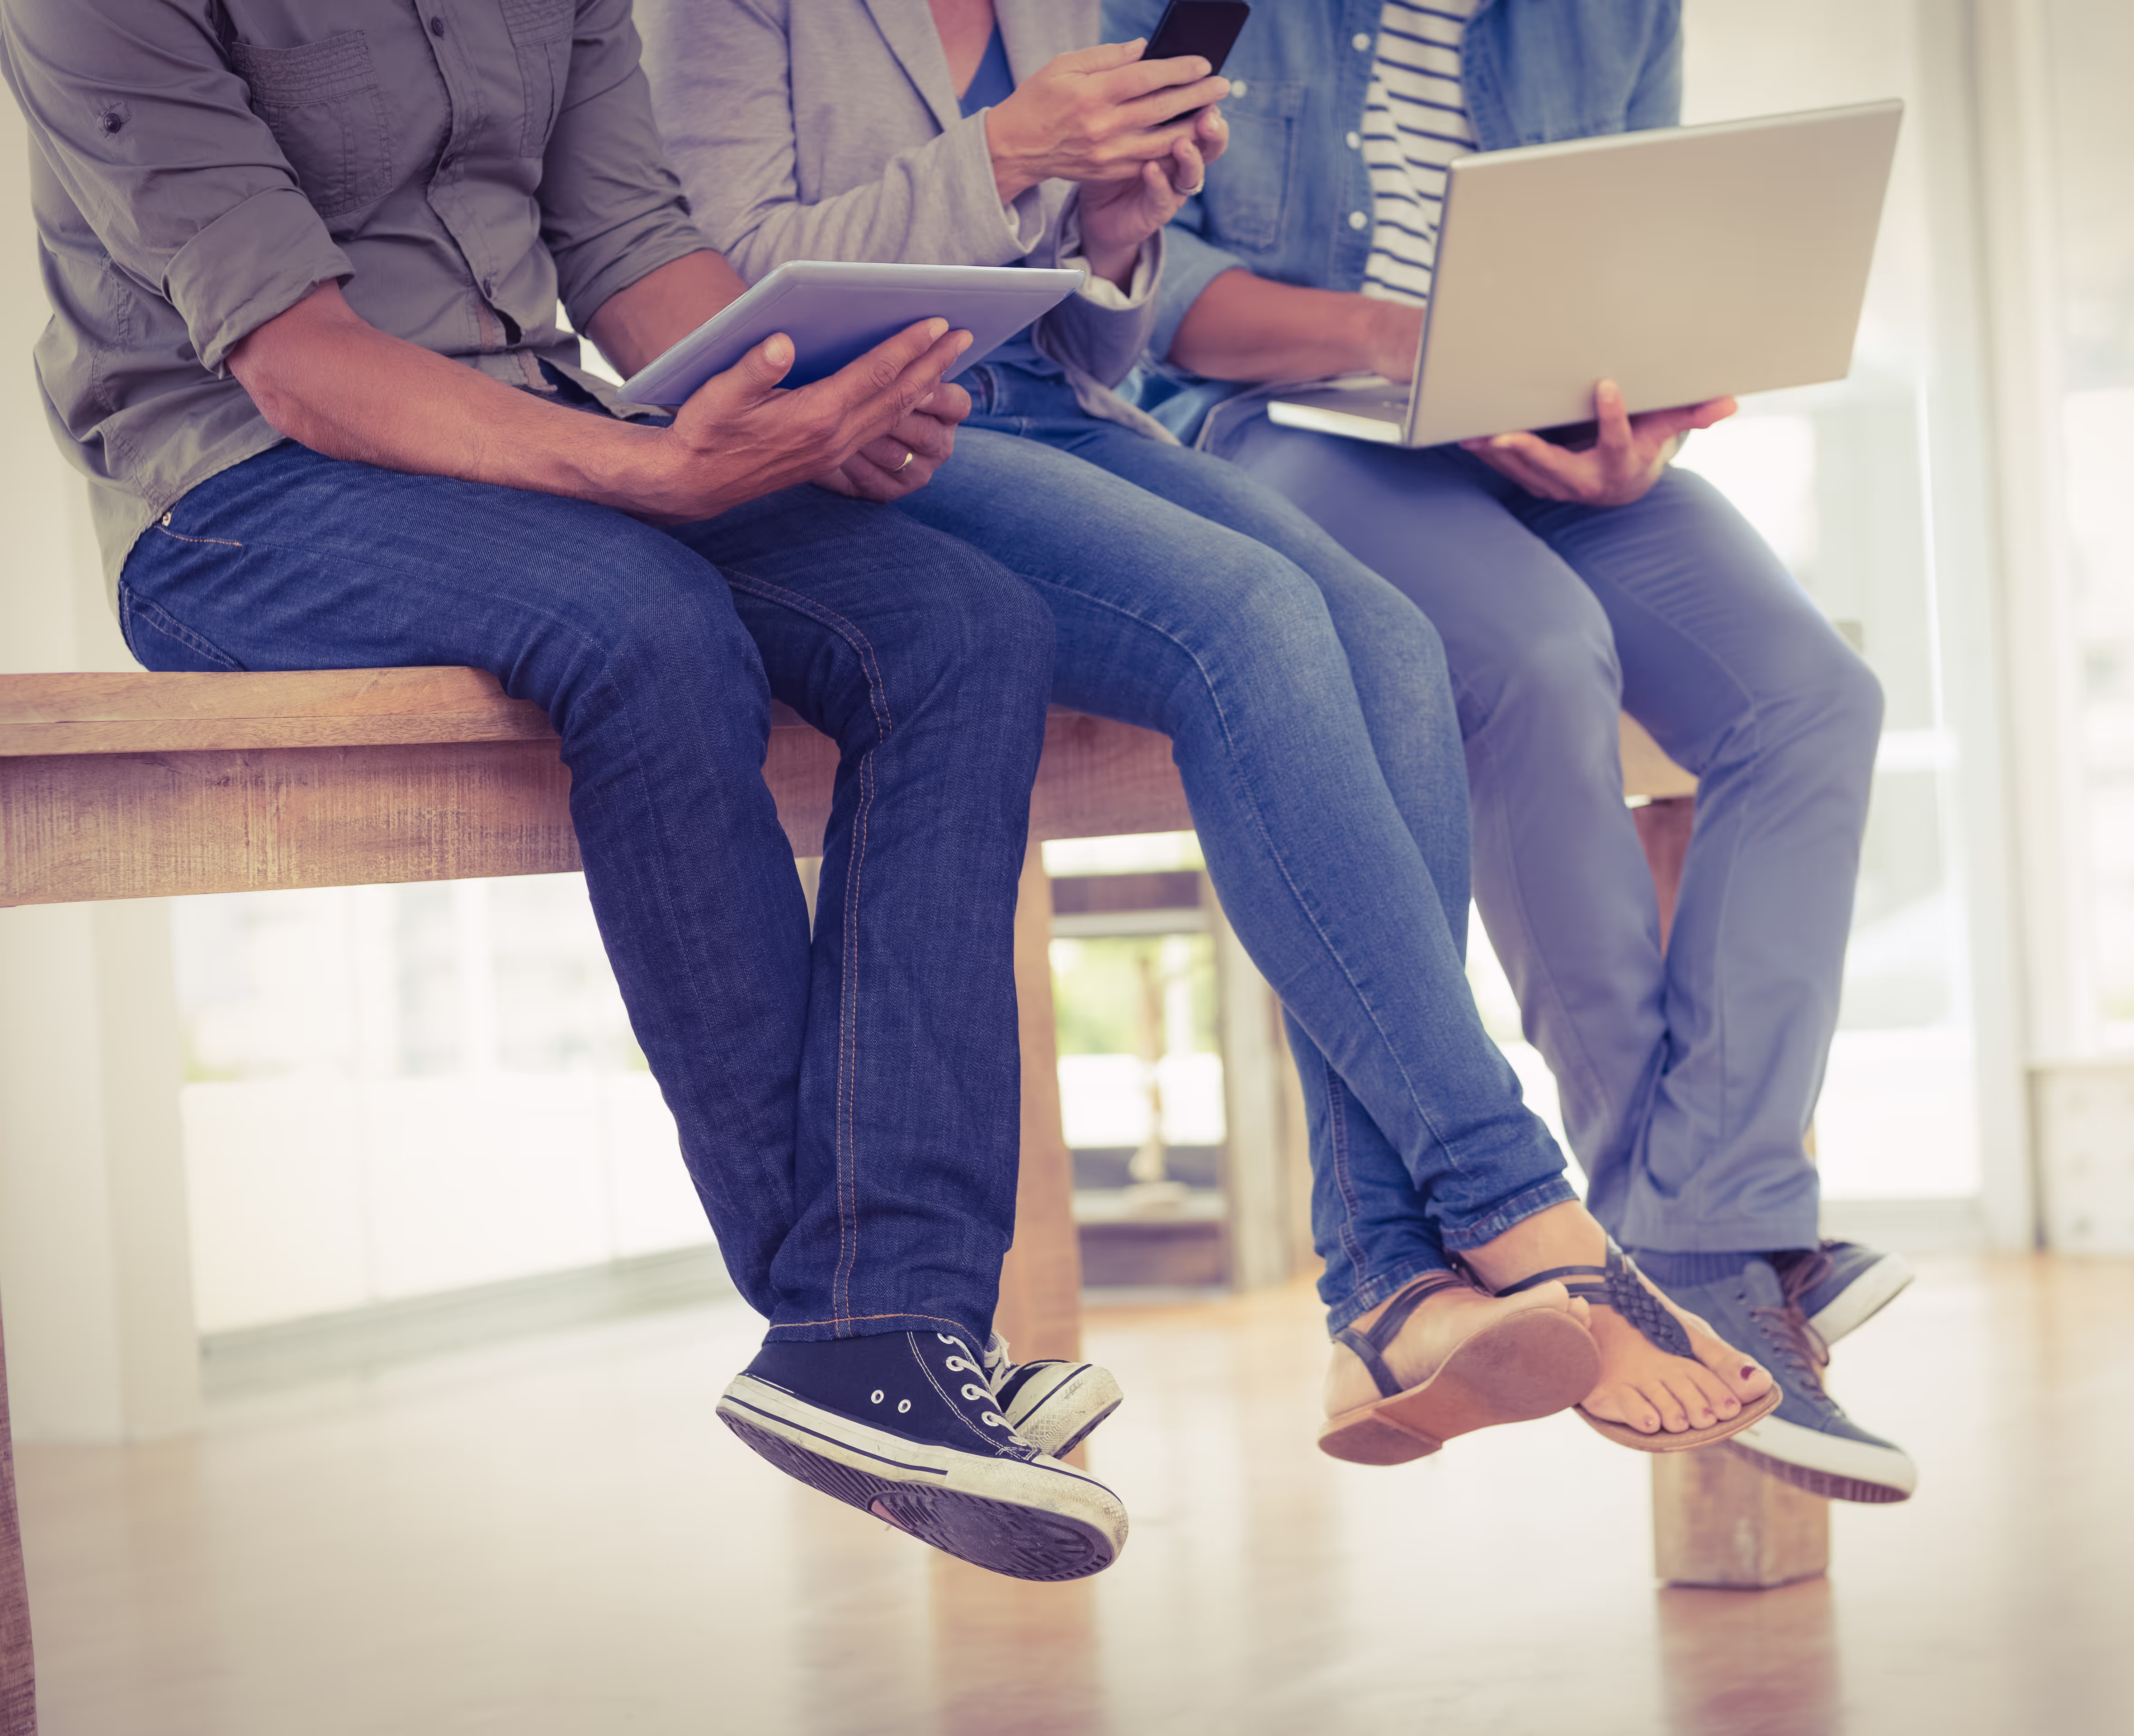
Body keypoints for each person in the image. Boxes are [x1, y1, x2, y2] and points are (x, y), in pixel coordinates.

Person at [0, 0, 1143, 1580]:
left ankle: (894, 1315)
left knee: (964, 625)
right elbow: (301, 361)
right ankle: (847, 1322)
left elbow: (624, 247)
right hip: (240, 500)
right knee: (645, 626)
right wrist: (658, 473)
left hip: (544, 439)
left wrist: (809, 398)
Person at [639, 0, 1785, 1465]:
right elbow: (717, 287)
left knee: (1389, 643)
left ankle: (1388, 1284)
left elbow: (1093, 325)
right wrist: (998, 152)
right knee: (1250, 619)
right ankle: (1517, 1207)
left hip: (1061, 413)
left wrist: (1111, 226)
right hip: (878, 432)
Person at [1107, 0, 1919, 1504]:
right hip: (1283, 425)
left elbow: (1646, 254)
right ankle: (1677, 1235)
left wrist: (1645, 423)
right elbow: (1129, 280)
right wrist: (1405, 344)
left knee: (1815, 695)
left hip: (1551, 443)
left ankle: (1702, 1214)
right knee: (1539, 655)